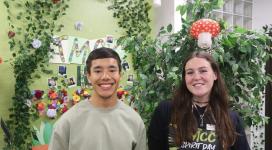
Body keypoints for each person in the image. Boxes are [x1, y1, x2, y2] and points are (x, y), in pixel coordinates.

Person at [148, 51, 250, 150]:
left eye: (203, 71)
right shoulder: (166, 111)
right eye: (190, 72)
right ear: (185, 78)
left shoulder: (231, 118)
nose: (196, 77)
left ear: (215, 75)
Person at [49, 47, 147, 150]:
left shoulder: (135, 121)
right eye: (98, 71)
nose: (105, 76)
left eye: (112, 70)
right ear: (88, 76)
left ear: (120, 75)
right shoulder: (67, 122)